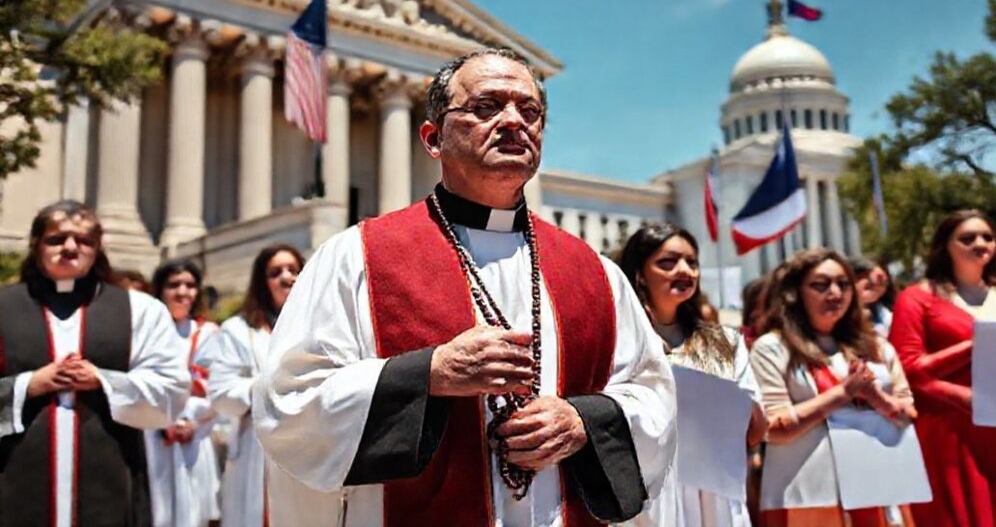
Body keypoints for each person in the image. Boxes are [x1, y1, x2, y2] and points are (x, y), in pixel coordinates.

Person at [252, 48, 677, 526]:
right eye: (487, 106)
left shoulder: (595, 272)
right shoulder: (356, 258)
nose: (514, 121)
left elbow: (651, 393)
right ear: (433, 139)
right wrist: (426, 374)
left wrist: (584, 421)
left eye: (530, 111)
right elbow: (289, 400)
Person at [0, 200, 189, 525]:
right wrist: (28, 386)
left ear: (98, 248)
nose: (70, 247)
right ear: (36, 244)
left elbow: (171, 391)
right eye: (56, 239)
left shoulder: (140, 310)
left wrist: (104, 381)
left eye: (84, 240)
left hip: (112, 484)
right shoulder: (3, 306)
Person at [750, 248, 919, 526]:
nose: (835, 293)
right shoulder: (772, 348)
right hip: (809, 497)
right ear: (795, 293)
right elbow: (773, 428)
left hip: (879, 489)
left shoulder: (877, 346)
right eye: (821, 285)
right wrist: (843, 393)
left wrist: (878, 399)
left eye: (843, 284)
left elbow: (908, 416)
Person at [618, 224, 766, 526]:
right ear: (639, 273)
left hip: (718, 492)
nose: (684, 270)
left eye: (692, 262)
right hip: (651, 493)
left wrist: (724, 398)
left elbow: (755, 430)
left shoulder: (725, 341)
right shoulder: (620, 339)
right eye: (668, 262)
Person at [888, 210, 996, 526]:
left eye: (987, 237)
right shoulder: (918, 298)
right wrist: (975, 349)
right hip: (950, 431)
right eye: (967, 238)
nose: (980, 243)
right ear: (945, 247)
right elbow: (908, 368)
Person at [205, 244, 304, 527]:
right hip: (255, 449)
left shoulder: (321, 326)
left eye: (294, 270)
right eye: (276, 272)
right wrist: (269, 386)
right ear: (262, 282)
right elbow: (221, 393)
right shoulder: (237, 331)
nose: (287, 277)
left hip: (307, 442)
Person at [148, 260, 222, 527]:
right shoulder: (145, 331)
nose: (183, 292)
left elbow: (216, 389)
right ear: (160, 290)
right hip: (153, 437)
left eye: (190, 285)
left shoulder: (208, 334)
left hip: (194, 436)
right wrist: (164, 421)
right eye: (174, 285)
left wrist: (188, 419)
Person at [850, 257, 895, 337]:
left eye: (882, 283)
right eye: (860, 277)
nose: (875, 286)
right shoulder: (836, 317)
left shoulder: (890, 316)